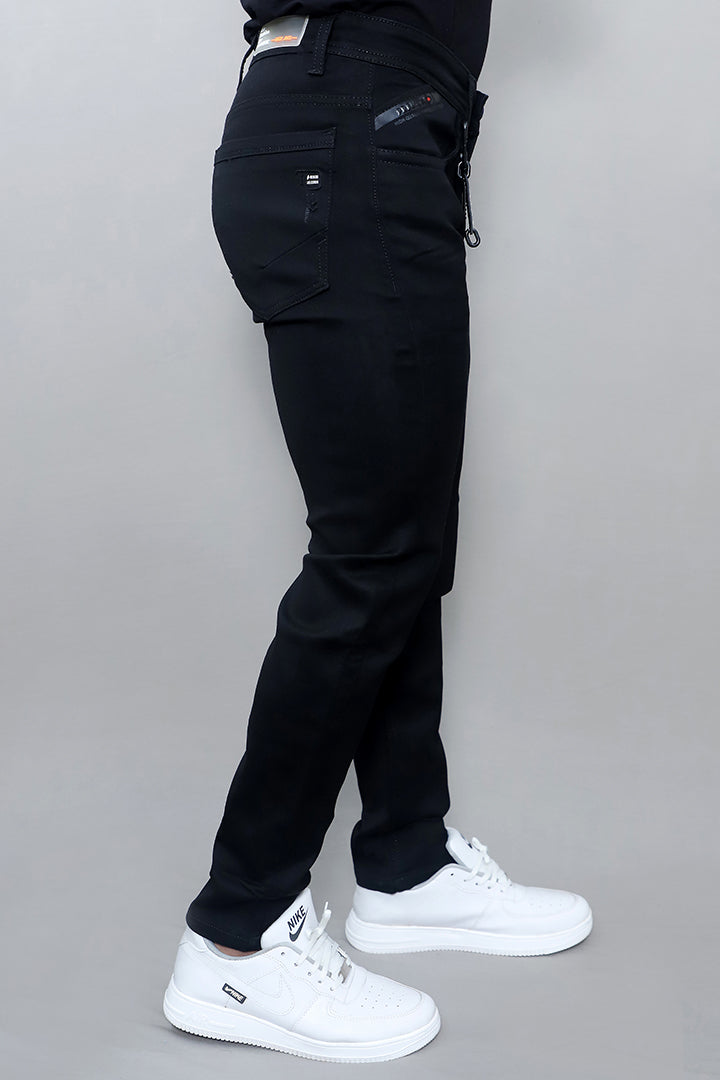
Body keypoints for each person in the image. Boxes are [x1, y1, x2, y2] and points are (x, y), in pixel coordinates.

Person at [163, 3, 592, 1063]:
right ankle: (237, 935)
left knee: (410, 536)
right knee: (373, 553)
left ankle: (407, 862)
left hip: (379, 124)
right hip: (350, 128)